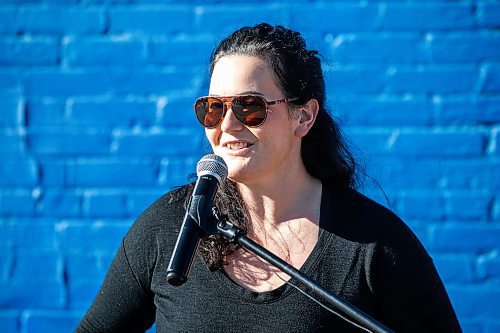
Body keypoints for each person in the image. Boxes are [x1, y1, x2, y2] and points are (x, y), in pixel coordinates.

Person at [76, 23, 462, 332]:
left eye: (250, 107)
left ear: (304, 117)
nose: (227, 126)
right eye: (213, 108)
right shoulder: (167, 229)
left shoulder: (374, 246)